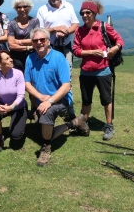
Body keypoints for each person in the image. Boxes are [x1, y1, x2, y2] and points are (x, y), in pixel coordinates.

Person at [25, 28, 89, 167]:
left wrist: (49, 101)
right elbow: (27, 83)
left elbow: (66, 86)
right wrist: (40, 97)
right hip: (42, 100)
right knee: (43, 125)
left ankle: (46, 148)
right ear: (32, 43)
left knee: (46, 119)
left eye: (42, 40)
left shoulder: (59, 58)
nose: (39, 43)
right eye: (35, 40)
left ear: (48, 41)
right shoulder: (30, 58)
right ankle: (74, 123)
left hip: (61, 100)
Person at [73, 0, 124, 141]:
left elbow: (120, 40)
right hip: (86, 71)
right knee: (86, 100)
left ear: (94, 13)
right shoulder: (79, 31)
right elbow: (76, 50)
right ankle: (83, 124)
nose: (84, 15)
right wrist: (92, 52)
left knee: (106, 99)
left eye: (88, 12)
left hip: (103, 70)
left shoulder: (103, 27)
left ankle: (109, 125)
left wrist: (115, 48)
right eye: (82, 12)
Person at [36, 0, 79, 120]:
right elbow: (39, 31)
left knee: (67, 78)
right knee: (48, 78)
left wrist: (66, 31)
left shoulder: (69, 6)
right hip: (49, 49)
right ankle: (47, 107)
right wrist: (56, 29)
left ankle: (69, 110)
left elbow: (76, 24)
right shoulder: (42, 10)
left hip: (66, 47)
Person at [7, 0, 39, 121]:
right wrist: (28, 46)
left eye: (25, 6)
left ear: (29, 7)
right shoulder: (12, 24)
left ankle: (34, 109)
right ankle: (21, 109)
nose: (22, 9)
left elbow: (36, 40)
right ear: (16, 9)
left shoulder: (35, 21)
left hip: (32, 59)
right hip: (17, 60)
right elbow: (10, 45)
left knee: (33, 84)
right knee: (18, 86)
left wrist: (19, 41)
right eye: (19, 7)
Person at [0, 50, 27, 151]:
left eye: (10, 57)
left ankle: (21, 127)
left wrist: (11, 107)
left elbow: (21, 95)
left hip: (18, 106)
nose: (11, 59)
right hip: (3, 105)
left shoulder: (18, 74)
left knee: (15, 136)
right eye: (7, 58)